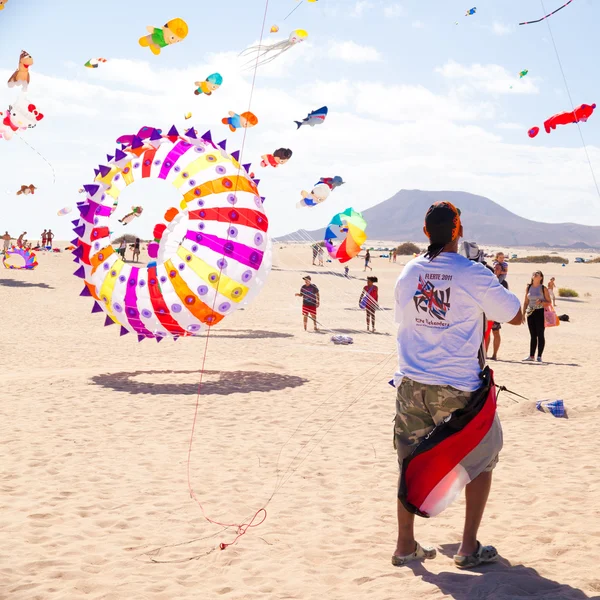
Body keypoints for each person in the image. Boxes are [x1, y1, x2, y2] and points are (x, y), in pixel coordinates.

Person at [392, 201, 522, 569]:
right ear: (458, 230)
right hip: (458, 388)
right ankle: (467, 548)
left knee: (409, 460)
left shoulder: (409, 270)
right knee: (483, 456)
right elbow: (514, 316)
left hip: (411, 382)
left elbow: (404, 319)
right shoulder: (472, 273)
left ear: (425, 231)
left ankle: (405, 545)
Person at [522, 271, 553, 363]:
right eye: (534, 274)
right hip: (530, 313)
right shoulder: (529, 287)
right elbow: (526, 302)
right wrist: (523, 314)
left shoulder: (543, 288)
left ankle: (539, 356)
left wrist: (542, 302)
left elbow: (549, 302)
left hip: (540, 312)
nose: (535, 275)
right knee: (532, 335)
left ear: (541, 278)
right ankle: (531, 356)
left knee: (540, 334)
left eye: (537, 274)